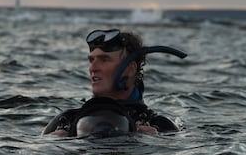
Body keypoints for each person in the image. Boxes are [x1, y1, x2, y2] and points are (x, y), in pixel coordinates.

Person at [42, 29, 186, 137]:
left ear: (129, 69)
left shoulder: (160, 126)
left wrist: (153, 141)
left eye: (104, 60)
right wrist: (53, 142)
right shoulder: (65, 121)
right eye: (91, 60)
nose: (93, 68)